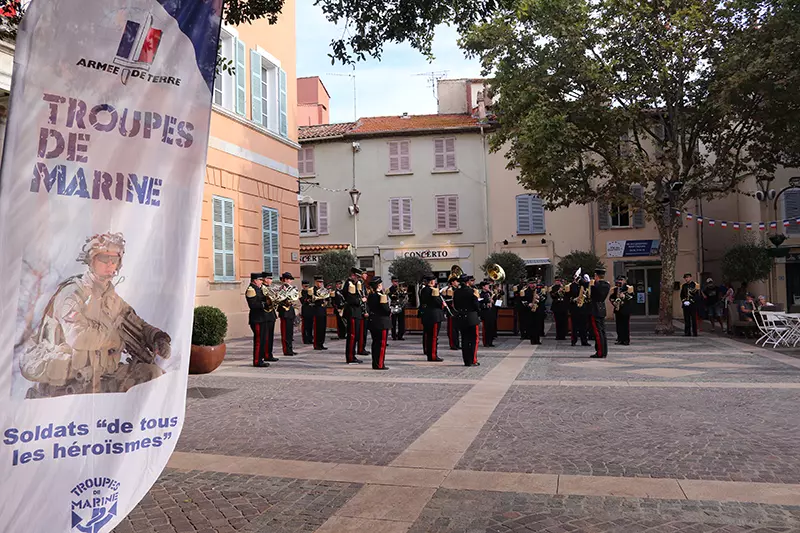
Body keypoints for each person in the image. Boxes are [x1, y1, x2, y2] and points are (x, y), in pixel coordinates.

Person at [19, 232, 171, 397]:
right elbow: (76, 336)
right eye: (103, 259)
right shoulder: (73, 293)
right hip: (69, 384)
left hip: (103, 377)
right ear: (91, 261)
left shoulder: (110, 296)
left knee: (153, 374)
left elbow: (135, 322)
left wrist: (157, 337)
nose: (109, 264)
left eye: (114, 260)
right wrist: (112, 339)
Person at [454, 274, 481, 366]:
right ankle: (473, 359)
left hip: (461, 317)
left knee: (464, 340)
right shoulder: (472, 291)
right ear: (467, 282)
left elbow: (456, 305)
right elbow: (476, 305)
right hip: (471, 317)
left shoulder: (456, 292)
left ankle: (466, 361)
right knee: (473, 340)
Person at [246, 272, 270, 368]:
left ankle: (261, 359)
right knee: (259, 340)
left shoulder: (259, 289)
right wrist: (265, 303)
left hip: (262, 317)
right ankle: (257, 360)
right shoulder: (251, 289)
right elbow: (253, 305)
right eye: (260, 280)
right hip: (257, 319)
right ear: (255, 280)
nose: (262, 282)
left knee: (263, 339)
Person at [342, 268, 366, 364]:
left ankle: (353, 355)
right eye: (357, 277)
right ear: (353, 275)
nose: (359, 279)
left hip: (356, 312)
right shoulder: (349, 284)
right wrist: (362, 300)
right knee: (352, 336)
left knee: (355, 336)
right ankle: (350, 357)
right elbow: (352, 300)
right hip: (352, 312)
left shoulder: (355, 284)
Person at [419, 275, 445, 361]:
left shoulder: (423, 290)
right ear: (431, 282)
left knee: (429, 336)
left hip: (426, 315)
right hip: (434, 316)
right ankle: (433, 355)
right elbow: (437, 302)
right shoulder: (432, 290)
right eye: (434, 280)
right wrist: (442, 304)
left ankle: (430, 354)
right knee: (433, 337)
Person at [367, 277, 391, 370]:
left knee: (375, 343)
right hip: (382, 322)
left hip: (373, 321)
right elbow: (386, 310)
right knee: (381, 344)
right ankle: (380, 364)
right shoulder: (381, 296)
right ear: (379, 285)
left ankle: (375, 363)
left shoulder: (371, 295)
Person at [589, 268, 611, 358]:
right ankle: (604, 351)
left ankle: (600, 352)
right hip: (602, 308)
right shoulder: (607, 285)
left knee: (598, 332)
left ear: (596, 275)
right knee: (602, 331)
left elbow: (590, 287)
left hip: (595, 309)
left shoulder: (596, 285)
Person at [566, 272, 591, 347]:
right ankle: (574, 340)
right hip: (574, 308)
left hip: (583, 308)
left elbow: (589, 294)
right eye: (576, 277)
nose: (577, 279)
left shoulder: (584, 285)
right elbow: (567, 297)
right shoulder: (571, 286)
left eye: (578, 278)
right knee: (574, 326)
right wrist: (574, 299)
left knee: (584, 326)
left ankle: (584, 341)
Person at [277, 272, 299, 355]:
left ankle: (290, 349)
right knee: (285, 333)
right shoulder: (282, 288)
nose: (290, 281)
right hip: (284, 312)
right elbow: (280, 299)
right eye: (289, 279)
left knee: (290, 332)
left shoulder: (291, 288)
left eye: (290, 279)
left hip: (290, 311)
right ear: (285, 280)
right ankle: (286, 350)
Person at [260, 272, 279, 362]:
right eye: (269, 278)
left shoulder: (269, 288)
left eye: (271, 279)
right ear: (265, 279)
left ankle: (269, 354)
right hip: (266, 315)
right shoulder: (263, 288)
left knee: (270, 336)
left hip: (271, 314)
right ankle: (266, 354)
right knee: (266, 336)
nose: (271, 280)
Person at [610, 275, 634, 345]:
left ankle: (626, 340)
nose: (620, 281)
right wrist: (614, 302)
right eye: (618, 280)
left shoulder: (628, 288)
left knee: (625, 325)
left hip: (625, 309)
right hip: (618, 309)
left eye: (621, 280)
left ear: (624, 281)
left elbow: (631, 297)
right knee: (619, 325)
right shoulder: (615, 289)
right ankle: (620, 339)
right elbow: (611, 297)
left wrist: (624, 296)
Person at [442, 276, 461, 350]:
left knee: (457, 329)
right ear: (452, 282)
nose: (458, 283)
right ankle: (453, 344)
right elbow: (448, 301)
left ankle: (457, 344)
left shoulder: (457, 289)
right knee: (452, 329)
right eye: (456, 281)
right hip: (451, 312)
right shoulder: (448, 290)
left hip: (457, 312)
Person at [311, 275, 329, 350]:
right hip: (317, 310)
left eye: (321, 282)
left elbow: (327, 298)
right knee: (317, 328)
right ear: (315, 282)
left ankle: (321, 343)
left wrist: (327, 300)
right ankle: (316, 344)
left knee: (322, 328)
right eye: (319, 282)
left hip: (323, 310)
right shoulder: (312, 290)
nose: (320, 284)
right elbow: (311, 300)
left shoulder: (323, 289)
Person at [479, 281, 497, 347]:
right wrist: (486, 304)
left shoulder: (489, 293)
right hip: (485, 312)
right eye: (486, 286)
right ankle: (486, 342)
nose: (488, 287)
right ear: (483, 287)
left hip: (491, 312)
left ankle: (490, 341)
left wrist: (493, 301)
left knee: (491, 327)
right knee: (486, 328)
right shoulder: (481, 294)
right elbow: (480, 303)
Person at [358, 271, 371, 355]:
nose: (366, 275)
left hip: (365, 311)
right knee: (362, 332)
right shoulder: (359, 284)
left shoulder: (363, 284)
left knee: (364, 332)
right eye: (364, 274)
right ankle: (360, 349)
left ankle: (362, 347)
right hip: (361, 312)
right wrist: (364, 311)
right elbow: (361, 299)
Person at [300, 280, 314, 344]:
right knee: (305, 326)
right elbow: (303, 301)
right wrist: (307, 299)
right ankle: (305, 339)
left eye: (307, 286)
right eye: (305, 286)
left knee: (310, 326)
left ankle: (310, 338)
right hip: (305, 311)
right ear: (302, 286)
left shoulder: (311, 292)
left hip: (311, 311)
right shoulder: (301, 292)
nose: (306, 287)